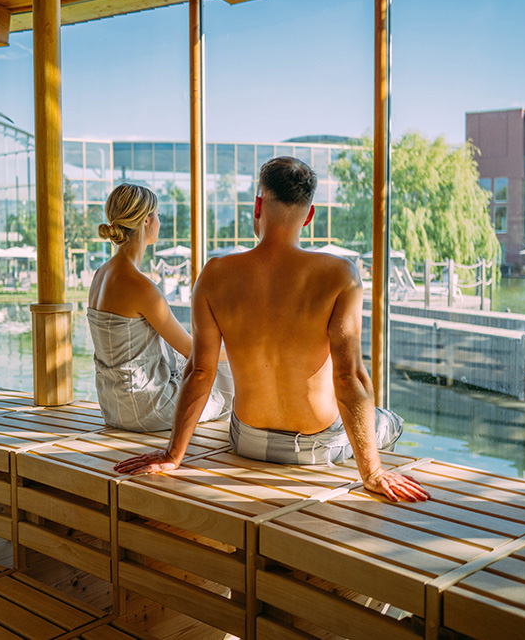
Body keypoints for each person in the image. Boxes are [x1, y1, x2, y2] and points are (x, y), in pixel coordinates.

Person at [114, 159, 428, 502]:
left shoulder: (215, 274)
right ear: (308, 217)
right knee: (390, 421)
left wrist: (173, 455)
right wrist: (373, 471)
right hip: (316, 446)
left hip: (248, 440)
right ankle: (372, 481)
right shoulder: (339, 274)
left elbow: (200, 371)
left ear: (258, 205)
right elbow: (348, 377)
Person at [87, 183, 233, 432]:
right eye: (157, 215)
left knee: (216, 369)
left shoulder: (101, 274)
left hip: (113, 407)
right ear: (145, 220)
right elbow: (191, 350)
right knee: (230, 382)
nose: (159, 222)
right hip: (147, 408)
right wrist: (245, 351)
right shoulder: (140, 287)